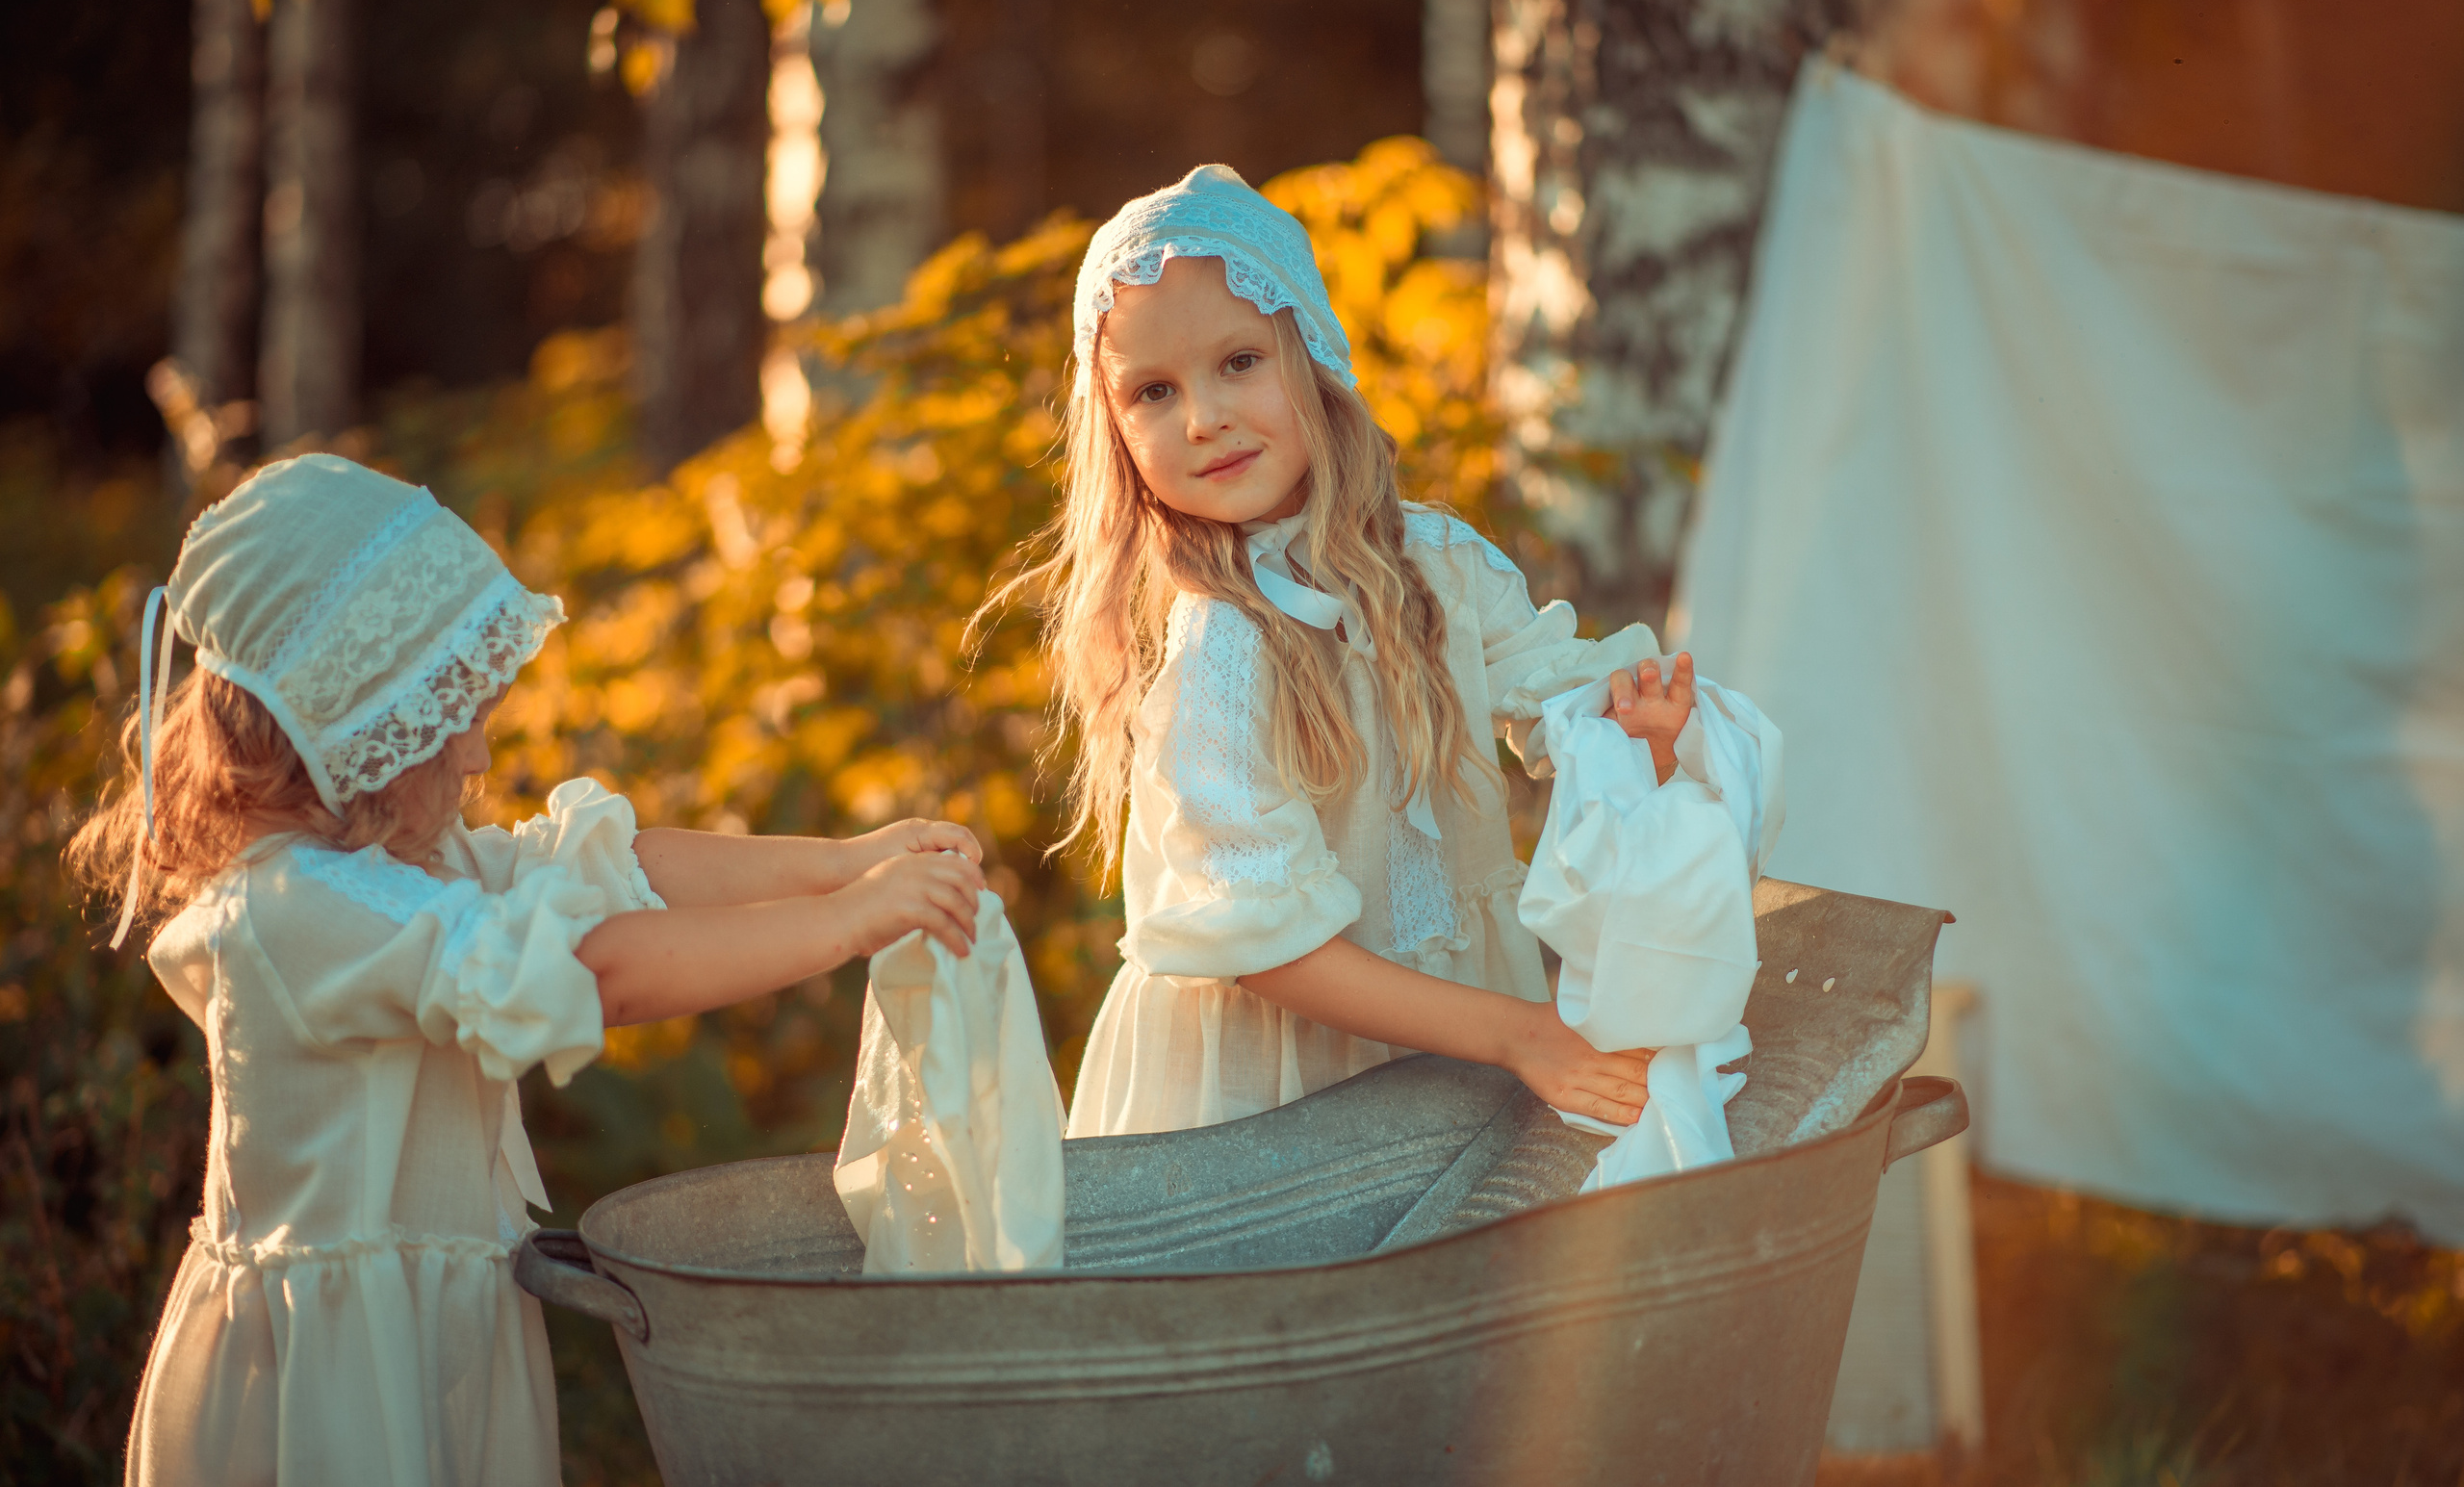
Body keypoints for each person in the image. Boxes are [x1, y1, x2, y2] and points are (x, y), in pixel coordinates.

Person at [67, 453, 986, 1487]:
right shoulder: (296, 910)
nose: (476, 755)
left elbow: (621, 870)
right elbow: (602, 971)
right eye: (445, 715)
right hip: (337, 1382)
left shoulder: (402, 867)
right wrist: (849, 925)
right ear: (342, 724)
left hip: (423, 1333)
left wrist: (846, 864)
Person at [998, 164, 1703, 1141]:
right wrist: (1519, 1034)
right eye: (1154, 391)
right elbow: (1265, 945)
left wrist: (1638, 732)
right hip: (1270, 1091)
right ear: (1115, 433)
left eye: (1239, 361)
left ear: (1314, 354)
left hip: (1457, 1038)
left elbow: (1563, 710)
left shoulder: (1440, 565)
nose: (1204, 417)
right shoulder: (1223, 642)